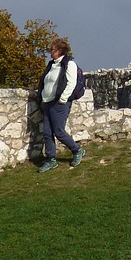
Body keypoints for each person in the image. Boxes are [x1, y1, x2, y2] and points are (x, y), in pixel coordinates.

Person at [37, 37, 85, 173]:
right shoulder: (52, 64)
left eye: (52, 49)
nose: (50, 52)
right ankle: (51, 160)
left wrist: (62, 99)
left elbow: (71, 83)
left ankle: (77, 150)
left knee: (59, 131)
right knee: (47, 133)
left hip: (59, 103)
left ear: (59, 50)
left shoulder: (69, 64)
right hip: (48, 102)